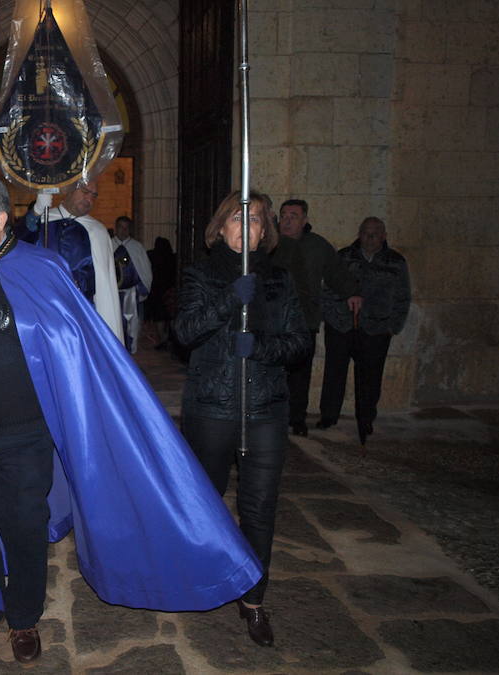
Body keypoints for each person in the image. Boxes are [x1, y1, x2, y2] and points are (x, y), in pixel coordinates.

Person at [0, 175, 262, 665]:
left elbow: (67, 342)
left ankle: (25, 616)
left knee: (23, 522)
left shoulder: (42, 268)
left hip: (27, 432)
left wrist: (6, 321)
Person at [174, 190, 309, 647]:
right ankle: (204, 578)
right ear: (221, 226)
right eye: (238, 219)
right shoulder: (199, 275)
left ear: (264, 232)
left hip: (265, 408)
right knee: (205, 503)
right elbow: (186, 332)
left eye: (255, 222)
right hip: (212, 406)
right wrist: (230, 299)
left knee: (259, 509)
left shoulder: (280, 280)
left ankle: (253, 599)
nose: (246, 228)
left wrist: (264, 349)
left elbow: (300, 342)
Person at [318, 217, 411, 442]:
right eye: (366, 233)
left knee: (370, 376)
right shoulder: (344, 257)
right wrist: (333, 315)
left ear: (384, 236)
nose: (370, 238)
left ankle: (366, 418)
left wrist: (392, 326)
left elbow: (402, 296)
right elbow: (327, 289)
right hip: (341, 325)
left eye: (375, 233)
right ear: (359, 234)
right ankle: (329, 415)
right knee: (334, 373)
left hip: (376, 327)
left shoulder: (395, 262)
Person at [277, 199, 360, 436]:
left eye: (293, 215)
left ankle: (297, 418)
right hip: (274, 321)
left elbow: (336, 272)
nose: (288, 220)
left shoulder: (317, 246)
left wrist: (352, 292)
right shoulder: (269, 243)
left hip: (304, 319)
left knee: (300, 373)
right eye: (284, 215)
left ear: (305, 220)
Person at [19, 181, 123, 342]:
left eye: (93, 196)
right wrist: (37, 211)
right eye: (85, 192)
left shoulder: (97, 231)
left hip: (82, 316)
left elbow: (104, 287)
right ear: (69, 190)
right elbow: (15, 243)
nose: (89, 199)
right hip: (42, 312)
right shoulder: (43, 221)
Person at [111, 216, 153, 354]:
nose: (123, 230)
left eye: (126, 227)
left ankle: (131, 352)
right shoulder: (108, 245)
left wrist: (142, 287)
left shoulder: (137, 247)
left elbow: (145, 269)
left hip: (132, 294)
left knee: (133, 325)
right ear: (116, 228)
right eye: (121, 227)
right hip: (112, 294)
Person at [146, 236, 178, 350]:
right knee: (171, 316)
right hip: (170, 291)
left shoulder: (152, 256)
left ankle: (163, 340)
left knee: (159, 318)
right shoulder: (173, 258)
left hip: (157, 292)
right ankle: (171, 339)